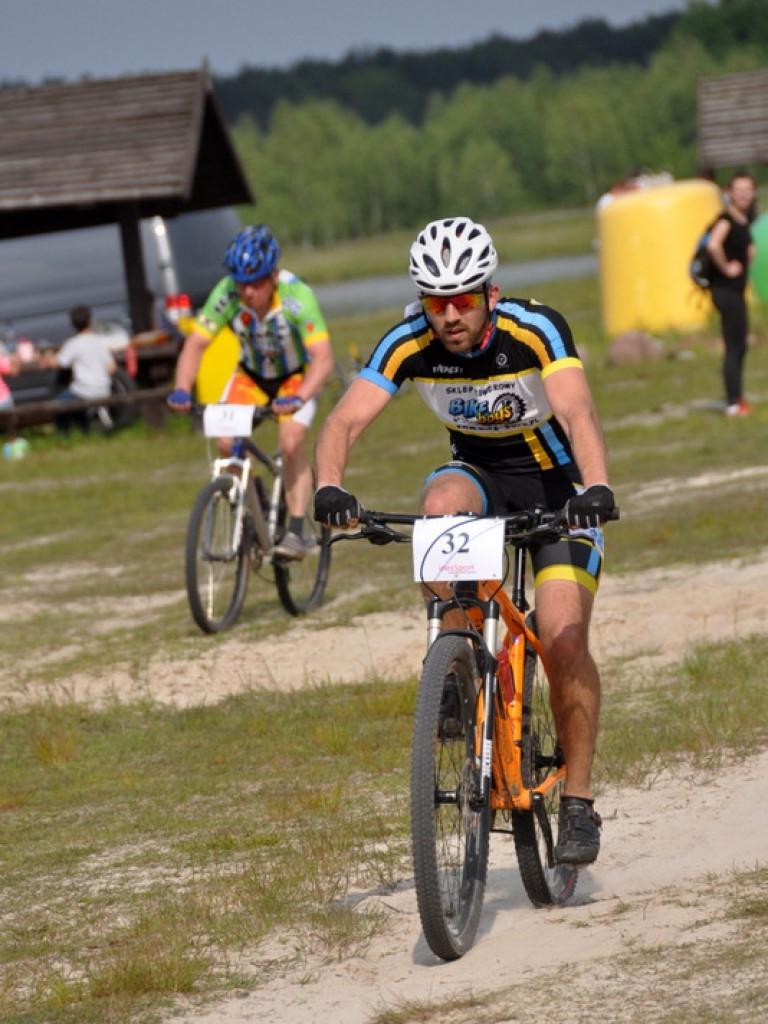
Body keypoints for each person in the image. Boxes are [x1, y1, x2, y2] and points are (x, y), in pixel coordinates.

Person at [313, 216, 616, 866]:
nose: (450, 315)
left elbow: (577, 409)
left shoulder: (534, 327)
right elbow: (344, 419)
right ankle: (457, 663)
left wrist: (595, 488)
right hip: (480, 478)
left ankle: (579, 803)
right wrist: (330, 488)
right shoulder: (409, 340)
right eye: (436, 301)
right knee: (439, 504)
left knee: (562, 635)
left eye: (463, 299)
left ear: (490, 293)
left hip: (558, 489)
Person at [167, 225, 335, 560]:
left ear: (273, 275)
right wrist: (182, 389)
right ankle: (254, 507)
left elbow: (323, 358)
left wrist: (301, 397)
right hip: (252, 376)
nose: (247, 291)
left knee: (290, 443)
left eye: (256, 281)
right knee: (227, 444)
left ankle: (296, 531)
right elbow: (195, 344)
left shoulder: (296, 296)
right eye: (241, 282)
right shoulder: (227, 293)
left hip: (294, 379)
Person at [705, 171, 757, 417]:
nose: (745, 194)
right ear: (730, 193)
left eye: (749, 189)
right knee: (734, 345)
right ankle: (734, 403)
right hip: (725, 291)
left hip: (735, 291)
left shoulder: (744, 219)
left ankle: (737, 397)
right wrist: (727, 268)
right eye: (739, 190)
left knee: (739, 344)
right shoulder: (726, 219)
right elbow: (713, 245)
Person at [42, 305, 118, 433]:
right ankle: (85, 429)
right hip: (104, 388)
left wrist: (47, 357)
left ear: (72, 324)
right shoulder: (99, 341)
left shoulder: (73, 343)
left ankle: (64, 435)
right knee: (75, 404)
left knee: (57, 404)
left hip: (84, 390)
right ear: (89, 320)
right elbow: (112, 367)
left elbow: (58, 362)